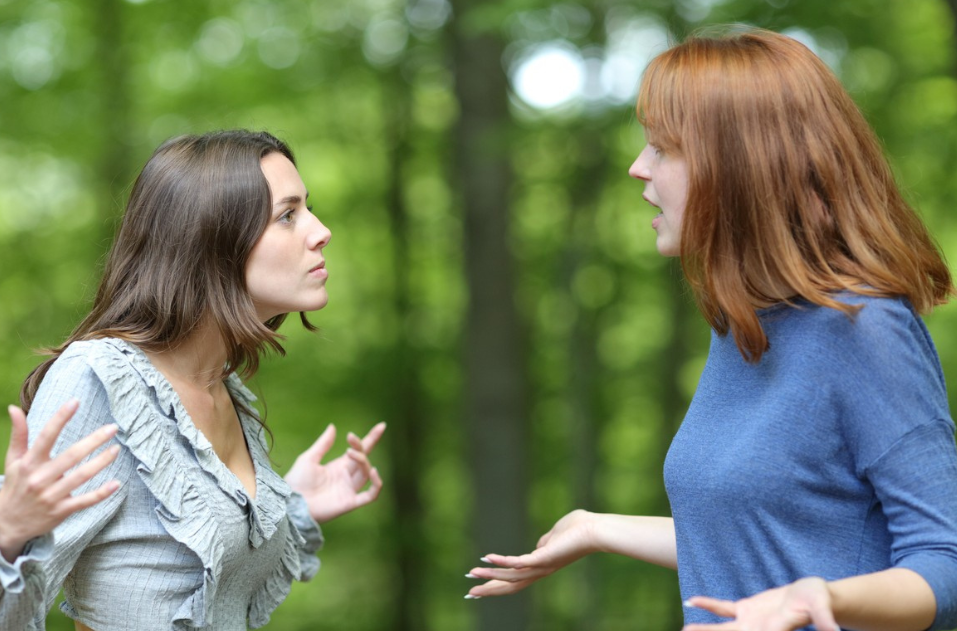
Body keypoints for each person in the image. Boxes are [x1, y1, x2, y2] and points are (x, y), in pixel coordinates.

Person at [465, 27, 957, 631]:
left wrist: (818, 598)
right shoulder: (745, 326)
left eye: (663, 149)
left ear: (743, 165)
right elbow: (758, 531)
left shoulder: (864, 327)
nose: (637, 167)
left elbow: (944, 560)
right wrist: (597, 528)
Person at [0, 130, 386, 630]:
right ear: (212, 240)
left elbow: (194, 577)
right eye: (288, 216)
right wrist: (8, 536)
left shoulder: (229, 394)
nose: (321, 231)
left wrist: (294, 506)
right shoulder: (100, 379)